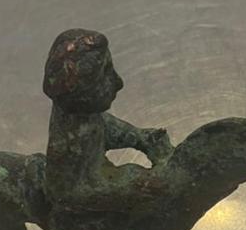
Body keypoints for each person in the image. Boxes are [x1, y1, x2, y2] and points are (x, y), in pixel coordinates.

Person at [42, 29, 173, 214]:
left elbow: (105, 127)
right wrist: (129, 187)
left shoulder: (86, 118)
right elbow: (64, 194)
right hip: (83, 204)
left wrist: (141, 137)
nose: (119, 82)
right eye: (105, 75)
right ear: (78, 94)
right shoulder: (66, 145)